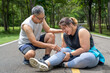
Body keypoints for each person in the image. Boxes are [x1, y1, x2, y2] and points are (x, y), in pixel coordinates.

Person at [29, 17, 105, 71]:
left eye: (64, 28)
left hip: (88, 54)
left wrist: (70, 54)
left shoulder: (81, 31)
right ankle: (45, 63)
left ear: (71, 24)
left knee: (87, 57)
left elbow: (85, 49)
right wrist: (59, 53)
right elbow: (64, 49)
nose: (63, 31)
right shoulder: (65, 35)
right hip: (74, 55)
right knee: (63, 50)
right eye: (62, 29)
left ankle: (62, 64)